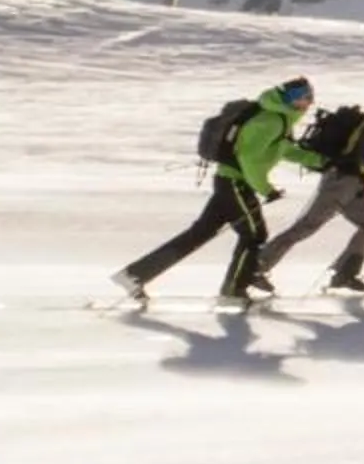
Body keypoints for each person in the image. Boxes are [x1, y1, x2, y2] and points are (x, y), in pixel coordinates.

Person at [112, 78, 327, 308]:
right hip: (236, 182)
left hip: (229, 181)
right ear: (289, 99)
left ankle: (134, 275)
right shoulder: (271, 120)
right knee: (254, 235)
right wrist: (266, 189)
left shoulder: (278, 119)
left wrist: (321, 160)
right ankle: (234, 291)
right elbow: (250, 158)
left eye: (309, 97)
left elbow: (281, 149)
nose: (308, 102)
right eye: (304, 97)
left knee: (200, 233)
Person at [259, 95, 364, 294]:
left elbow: (358, 157)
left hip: (352, 184)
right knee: (306, 226)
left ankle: (345, 273)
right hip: (340, 182)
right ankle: (257, 267)